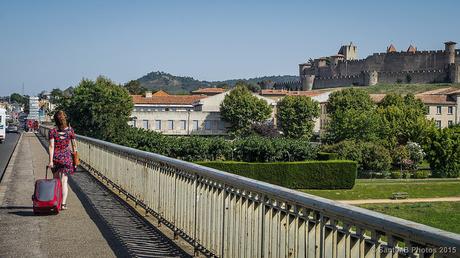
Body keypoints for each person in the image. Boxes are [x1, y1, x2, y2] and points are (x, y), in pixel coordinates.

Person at [48, 111, 77, 210]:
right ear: (65, 119)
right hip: (67, 158)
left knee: (56, 180)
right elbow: (74, 145)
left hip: (56, 158)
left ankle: (55, 201)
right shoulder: (70, 131)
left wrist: (51, 161)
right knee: (64, 181)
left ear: (55, 120)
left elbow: (51, 146)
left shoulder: (52, 131)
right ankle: (63, 204)